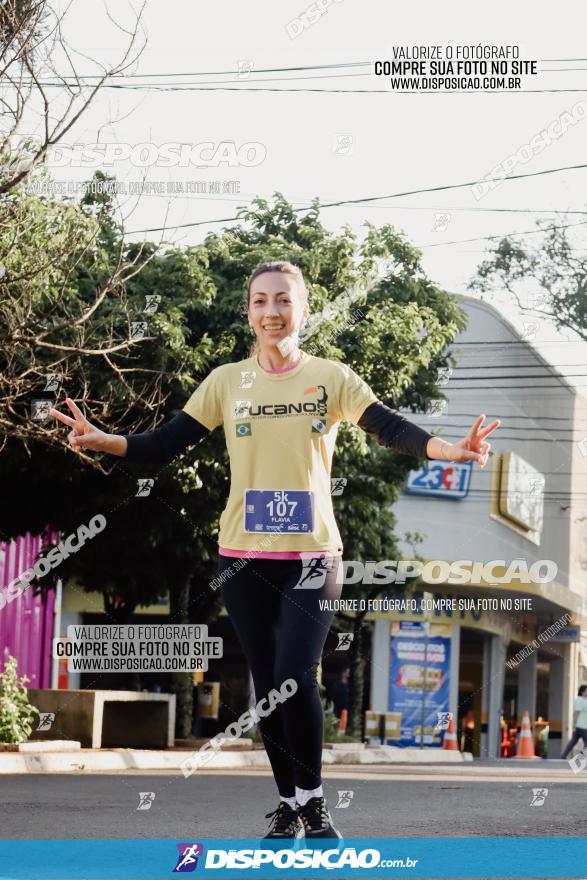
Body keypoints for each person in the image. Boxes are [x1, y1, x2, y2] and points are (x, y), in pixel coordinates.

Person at [51, 259, 500, 840]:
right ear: (249, 312)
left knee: (295, 675)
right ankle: (288, 804)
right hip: (242, 554)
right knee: (267, 690)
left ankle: (313, 805)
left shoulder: (331, 378)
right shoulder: (226, 382)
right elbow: (165, 442)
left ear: (304, 310)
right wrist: (102, 440)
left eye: (283, 300)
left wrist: (448, 449)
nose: (272, 312)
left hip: (313, 552)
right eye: (261, 301)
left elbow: (391, 428)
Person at [561, 685, 587, 760]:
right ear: (582, 692)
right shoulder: (579, 700)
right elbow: (576, 713)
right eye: (586, 691)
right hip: (581, 726)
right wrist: (574, 725)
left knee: (573, 741)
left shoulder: (583, 701)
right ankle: (582, 759)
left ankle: (563, 756)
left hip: (582, 726)